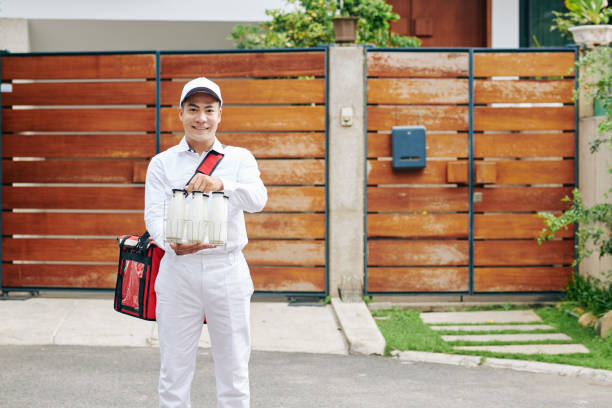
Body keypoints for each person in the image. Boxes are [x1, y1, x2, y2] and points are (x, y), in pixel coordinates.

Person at [144, 77, 267, 408]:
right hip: (177, 271)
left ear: (220, 114)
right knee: (173, 373)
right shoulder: (162, 163)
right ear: (181, 114)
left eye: (209, 110)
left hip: (226, 270)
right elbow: (153, 218)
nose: (202, 118)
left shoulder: (239, 159)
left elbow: (258, 199)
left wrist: (220, 183)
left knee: (234, 372)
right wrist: (171, 245)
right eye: (193, 109)